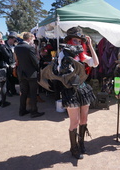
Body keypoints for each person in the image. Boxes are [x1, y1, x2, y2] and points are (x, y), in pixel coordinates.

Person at [42, 27, 99, 159]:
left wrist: (90, 46)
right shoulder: (62, 54)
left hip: (83, 88)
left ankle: (81, 144)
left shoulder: (81, 54)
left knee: (84, 119)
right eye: (75, 40)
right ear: (69, 41)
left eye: (79, 41)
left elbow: (95, 63)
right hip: (70, 90)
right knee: (75, 121)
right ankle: (74, 148)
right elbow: (61, 70)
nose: (77, 43)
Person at [14, 32, 45, 118]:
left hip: (22, 73)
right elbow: (35, 62)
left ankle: (22, 110)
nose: (33, 41)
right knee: (33, 93)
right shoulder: (29, 48)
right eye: (33, 39)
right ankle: (34, 111)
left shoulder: (17, 47)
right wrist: (38, 63)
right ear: (29, 38)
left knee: (23, 92)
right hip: (31, 74)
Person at [0, 30, 11, 107]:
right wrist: (4, 46)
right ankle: (3, 102)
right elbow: (7, 56)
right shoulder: (0, 45)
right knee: (3, 85)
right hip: (0, 67)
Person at [4, 31, 19, 96]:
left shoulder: (14, 46)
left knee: (13, 78)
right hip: (6, 64)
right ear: (10, 38)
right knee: (7, 79)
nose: (15, 41)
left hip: (13, 64)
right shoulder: (4, 46)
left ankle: (13, 91)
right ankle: (7, 91)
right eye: (14, 39)